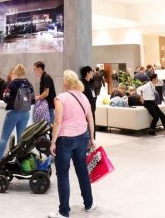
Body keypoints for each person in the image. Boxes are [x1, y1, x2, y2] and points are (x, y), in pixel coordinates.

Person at [48, 70, 96, 218]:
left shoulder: (60, 98)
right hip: (82, 138)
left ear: (66, 83)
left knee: (63, 175)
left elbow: (57, 121)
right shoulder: (84, 97)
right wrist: (92, 138)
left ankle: (63, 212)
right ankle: (89, 203)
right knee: (82, 171)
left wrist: (53, 141)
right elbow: (90, 119)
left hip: (65, 140)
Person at [0, 64, 34, 166]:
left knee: (4, 137)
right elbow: (32, 100)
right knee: (21, 139)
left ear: (15, 73)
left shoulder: (11, 84)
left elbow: (6, 98)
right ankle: (20, 161)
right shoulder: (29, 84)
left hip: (13, 113)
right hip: (25, 114)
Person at [80, 66, 96, 135]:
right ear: (87, 73)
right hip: (86, 110)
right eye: (91, 71)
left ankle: (92, 140)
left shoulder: (91, 83)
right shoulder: (82, 84)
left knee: (92, 126)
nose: (93, 73)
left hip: (92, 108)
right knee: (88, 128)